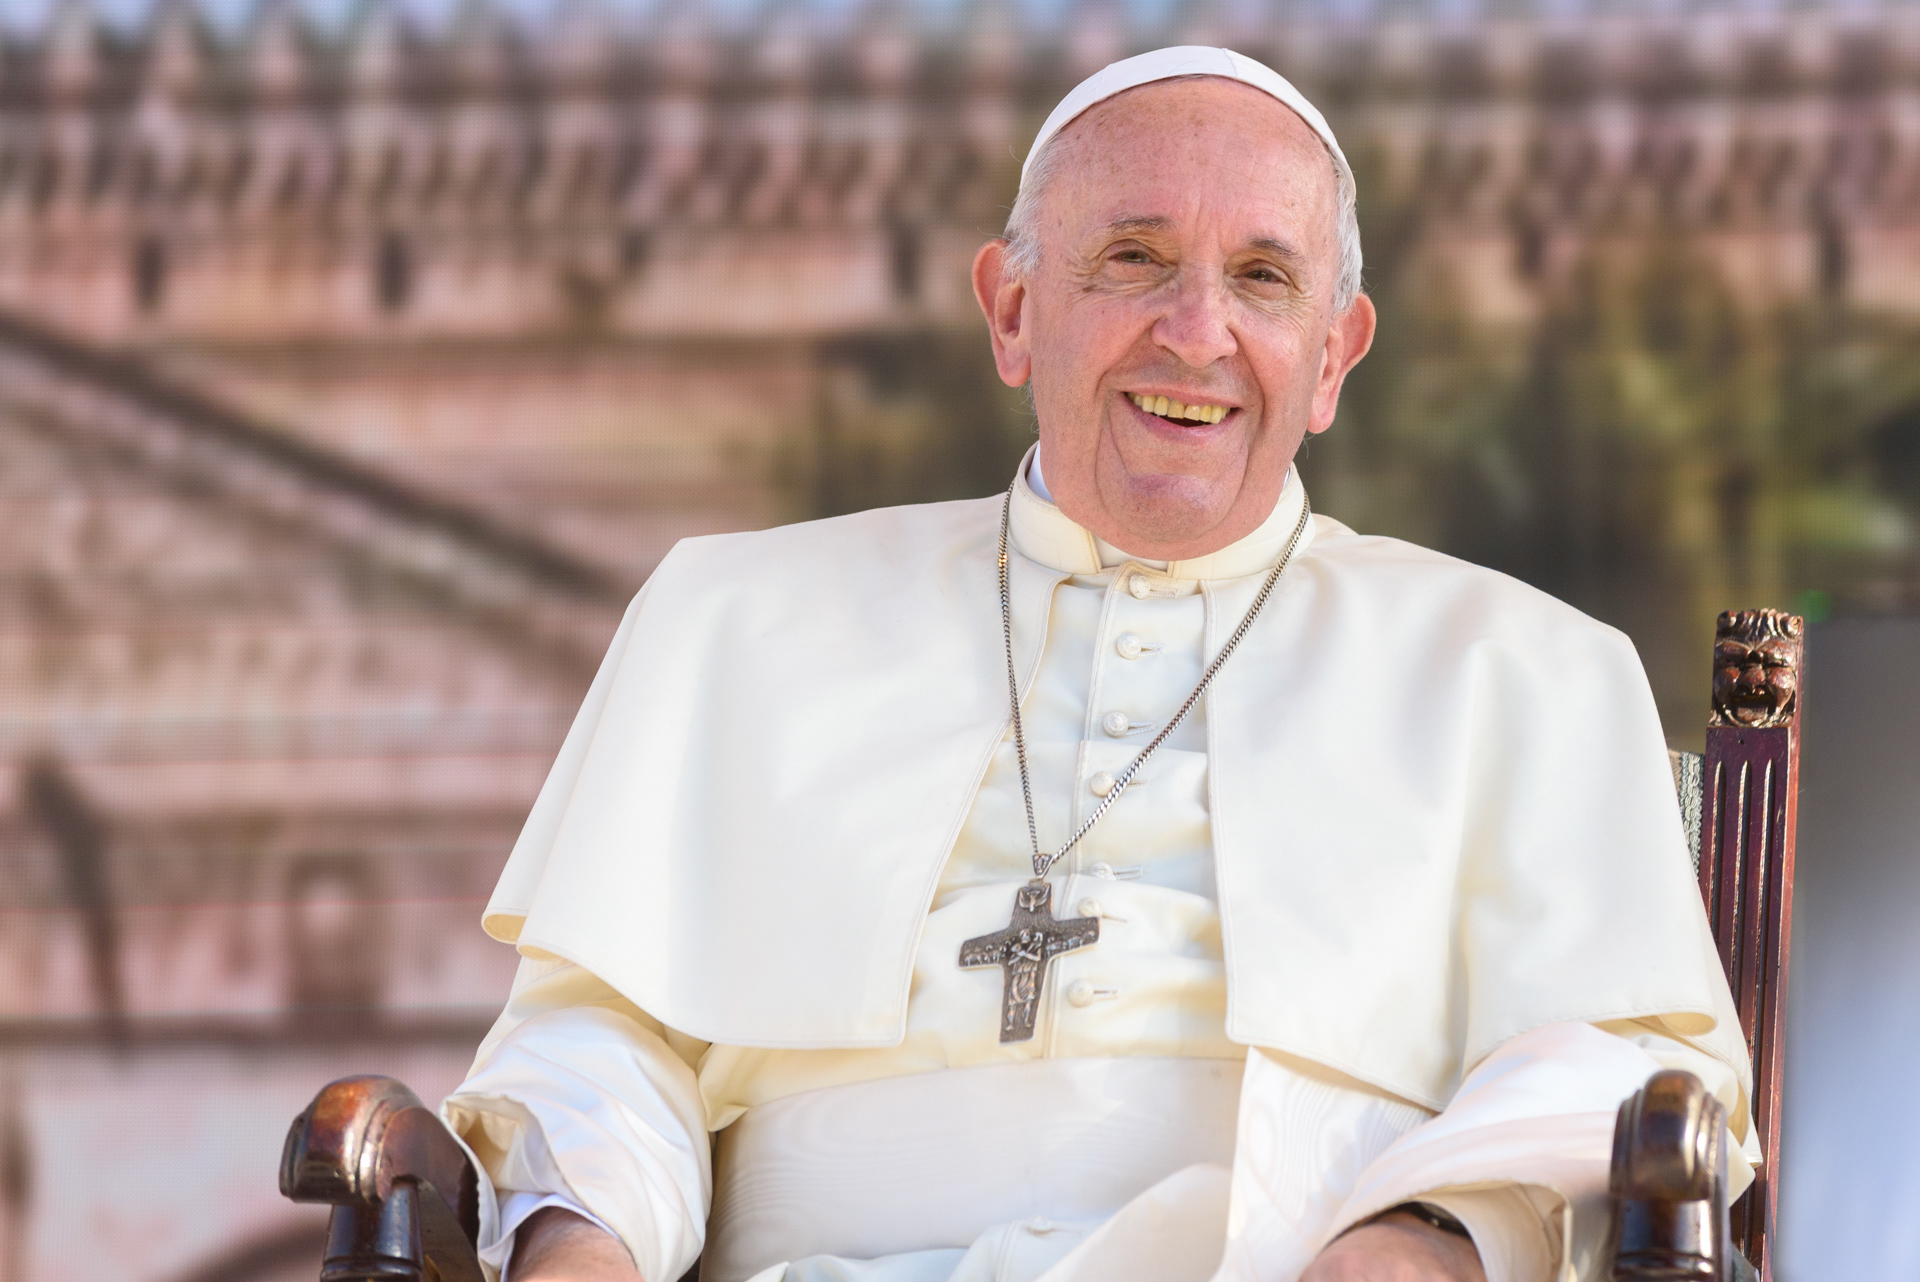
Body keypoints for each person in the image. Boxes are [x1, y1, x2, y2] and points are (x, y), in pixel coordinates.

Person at [441, 48, 1756, 1282]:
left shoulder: (1516, 665)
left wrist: (1429, 1234)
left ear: (1333, 359)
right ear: (1014, 312)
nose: (1195, 333)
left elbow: (1617, 1068)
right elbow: (599, 1040)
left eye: (1260, 277)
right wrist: (585, 1247)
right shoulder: (734, 616)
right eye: (1135, 258)